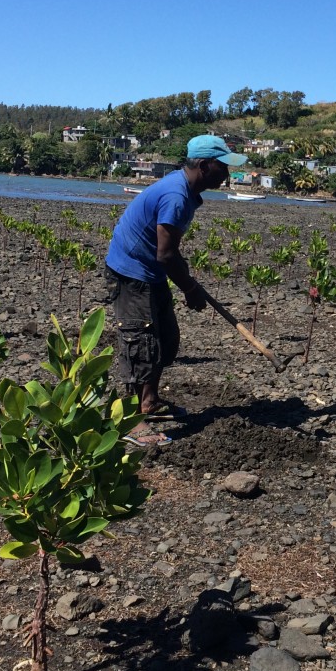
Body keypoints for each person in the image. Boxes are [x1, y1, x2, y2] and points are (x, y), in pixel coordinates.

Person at [105, 135, 247, 446]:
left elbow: (169, 251)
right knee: (141, 342)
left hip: (151, 269)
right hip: (131, 270)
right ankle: (133, 421)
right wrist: (190, 288)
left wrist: (187, 281)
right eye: (223, 168)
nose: (227, 174)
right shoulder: (176, 195)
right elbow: (165, 254)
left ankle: (150, 401)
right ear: (205, 166)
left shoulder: (185, 188)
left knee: (166, 339)